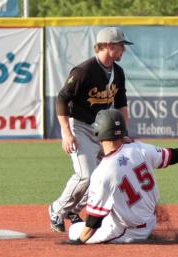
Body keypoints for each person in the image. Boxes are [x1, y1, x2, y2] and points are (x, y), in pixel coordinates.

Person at [67, 109, 178, 244]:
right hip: (150, 219)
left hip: (130, 231)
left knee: (74, 231)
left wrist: (79, 241)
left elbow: (94, 221)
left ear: (98, 133)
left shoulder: (102, 173)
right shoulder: (139, 148)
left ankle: (76, 223)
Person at [49, 27, 134, 232]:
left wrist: (123, 135)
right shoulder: (84, 71)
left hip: (101, 129)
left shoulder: (118, 72)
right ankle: (57, 210)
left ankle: (73, 210)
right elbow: (62, 99)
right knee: (85, 175)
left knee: (103, 176)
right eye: (121, 46)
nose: (124, 49)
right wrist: (66, 133)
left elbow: (121, 104)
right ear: (108, 46)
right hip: (78, 125)